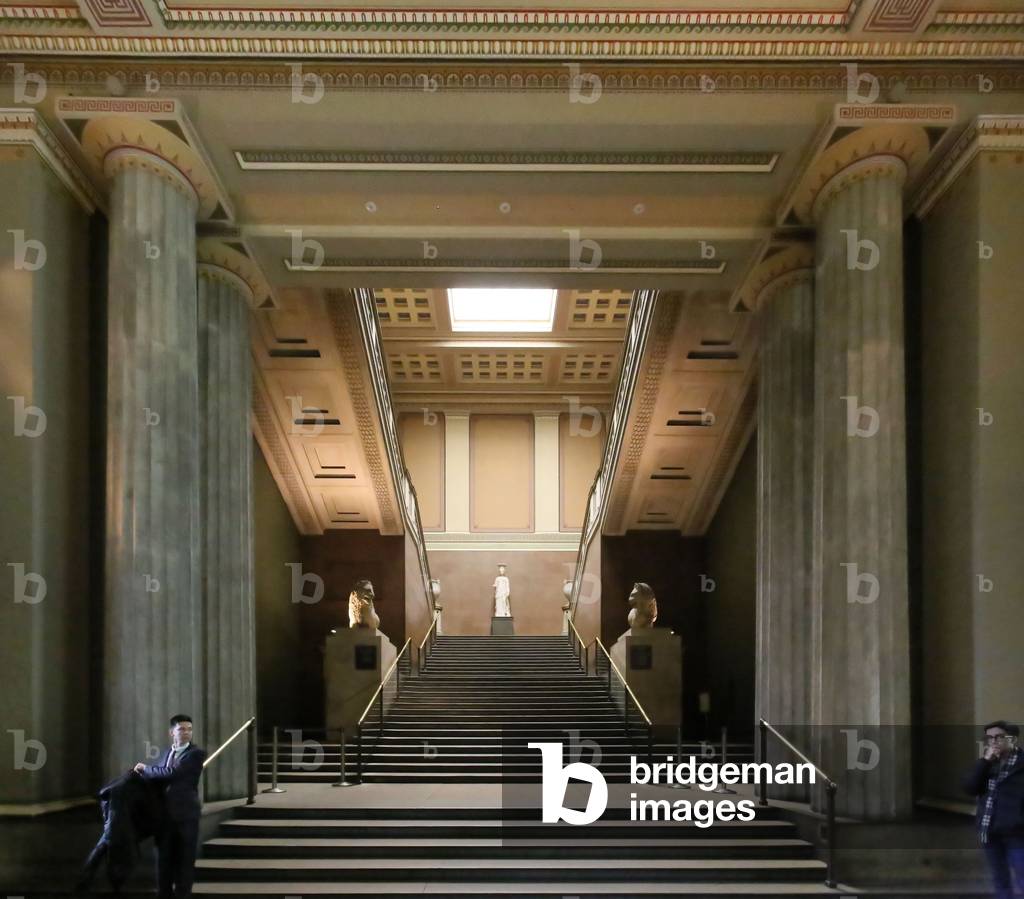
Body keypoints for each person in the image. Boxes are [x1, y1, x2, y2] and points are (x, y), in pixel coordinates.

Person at [134, 714, 206, 898]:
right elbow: (159, 777)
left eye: (189, 729)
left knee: (184, 862)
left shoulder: (196, 754)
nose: (186, 733)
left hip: (186, 817)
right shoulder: (167, 753)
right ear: (171, 732)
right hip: (165, 818)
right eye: (182, 729)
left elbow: (171, 772)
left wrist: (146, 769)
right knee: (163, 863)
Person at [964, 720, 1024, 899]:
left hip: (1017, 833)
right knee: (1000, 880)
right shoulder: (987, 765)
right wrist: (984, 762)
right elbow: (969, 787)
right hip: (989, 831)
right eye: (989, 738)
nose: (993, 742)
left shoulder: (1021, 764)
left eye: (998, 737)